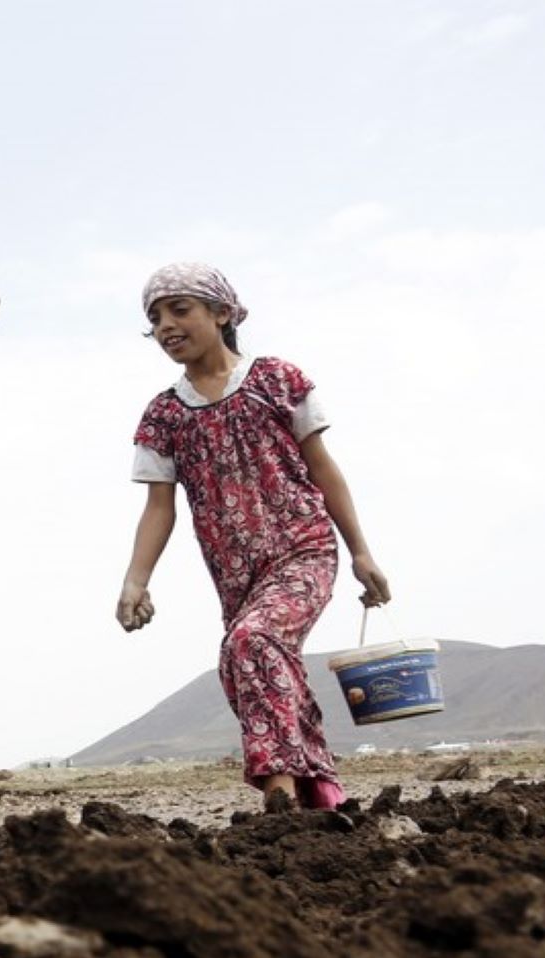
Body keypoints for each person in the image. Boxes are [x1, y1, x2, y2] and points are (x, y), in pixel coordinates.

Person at [116, 262, 388, 811]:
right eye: (154, 318)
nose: (166, 325)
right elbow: (158, 509)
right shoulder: (164, 416)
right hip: (236, 575)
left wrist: (361, 552)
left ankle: (281, 795)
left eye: (179, 309)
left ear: (222, 313)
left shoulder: (277, 381)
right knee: (244, 662)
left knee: (253, 642)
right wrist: (135, 581)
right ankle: (321, 793)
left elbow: (323, 469)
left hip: (303, 548)